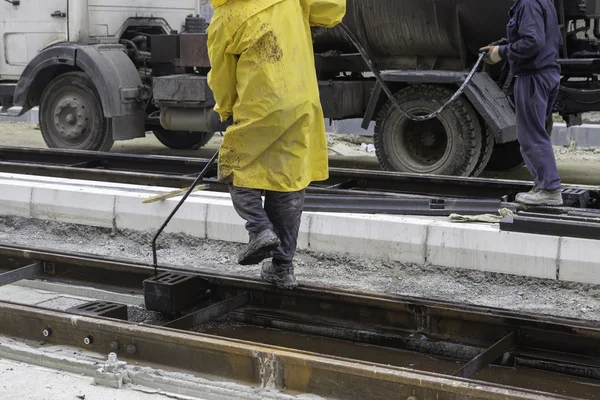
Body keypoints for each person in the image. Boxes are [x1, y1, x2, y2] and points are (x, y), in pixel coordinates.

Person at [207, 0, 346, 289]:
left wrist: (226, 110)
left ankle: (259, 230)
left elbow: (222, 76)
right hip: (301, 103)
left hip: (261, 105)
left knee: (236, 165)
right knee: (288, 181)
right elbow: (331, 9)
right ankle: (283, 267)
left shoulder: (225, 17)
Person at [481, 0, 563, 206]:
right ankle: (543, 185)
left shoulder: (527, 4)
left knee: (530, 134)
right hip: (547, 73)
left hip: (533, 77)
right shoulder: (543, 2)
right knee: (536, 132)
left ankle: (549, 190)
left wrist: (501, 52)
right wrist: (503, 47)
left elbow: (533, 41)